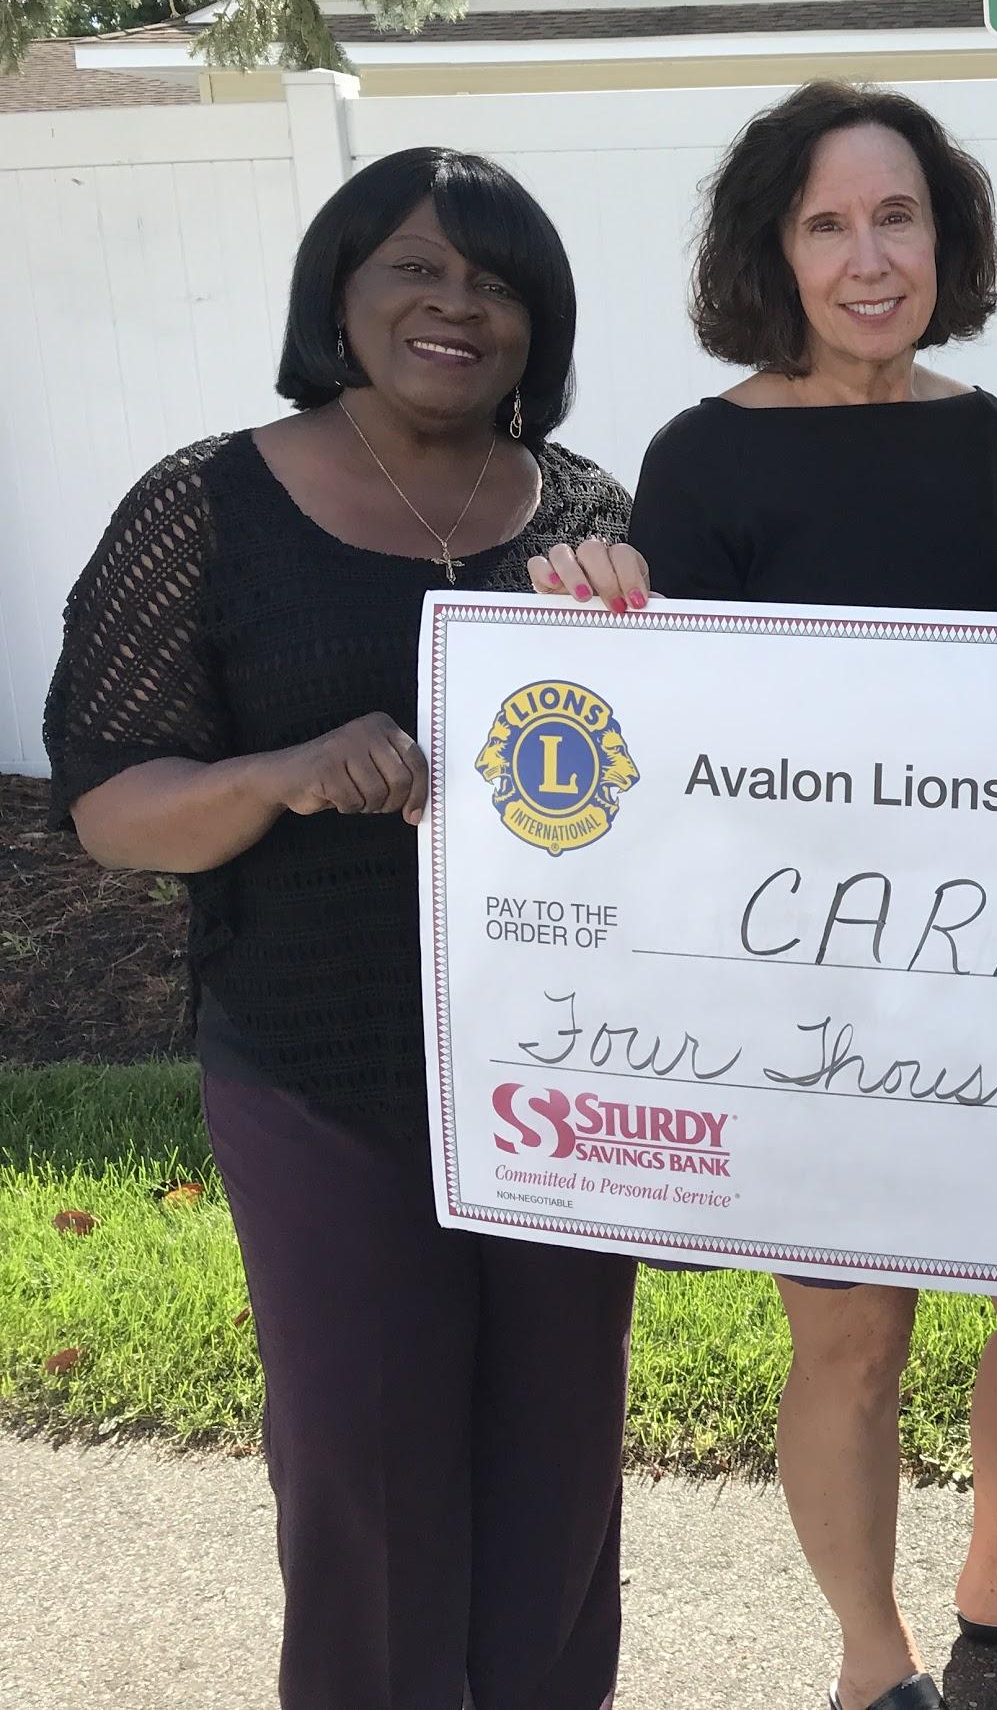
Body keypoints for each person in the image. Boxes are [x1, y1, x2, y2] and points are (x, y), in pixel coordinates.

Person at [531, 81, 997, 1710]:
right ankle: (872, 1659)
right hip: (799, 979)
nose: (869, 256)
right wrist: (603, 605)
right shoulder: (700, 457)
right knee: (852, 1339)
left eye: (899, 217)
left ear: (943, 237)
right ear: (776, 251)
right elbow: (670, 744)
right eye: (827, 223)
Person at [42, 148, 637, 1709]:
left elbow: (666, 780)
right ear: (340, 292)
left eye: (498, 283)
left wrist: (637, 618)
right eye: (416, 269)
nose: (457, 306)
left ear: (541, 324)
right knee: (363, 1476)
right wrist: (280, 774)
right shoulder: (208, 502)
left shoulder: (584, 512)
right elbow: (106, 803)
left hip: (565, 1079)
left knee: (563, 1476)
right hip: (321, 1061)